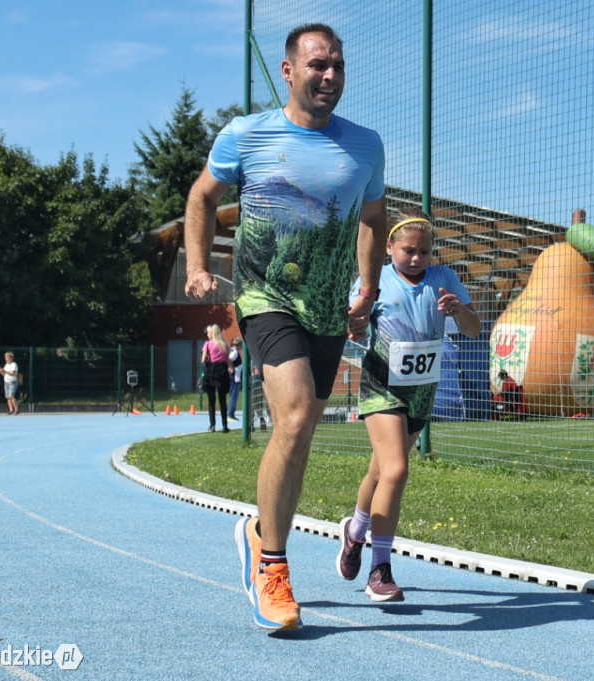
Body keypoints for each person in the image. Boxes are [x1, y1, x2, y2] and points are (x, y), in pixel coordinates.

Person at [183, 23, 387, 630]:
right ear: (289, 71)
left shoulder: (366, 146)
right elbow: (200, 197)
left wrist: (367, 287)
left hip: (328, 307)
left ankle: (258, 534)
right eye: (318, 64)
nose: (330, 76)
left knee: (301, 434)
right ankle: (273, 564)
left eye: (339, 66)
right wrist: (196, 265)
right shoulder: (247, 135)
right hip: (264, 296)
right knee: (295, 414)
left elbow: (373, 218)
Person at [335, 209, 481, 602]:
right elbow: (353, 322)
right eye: (408, 250)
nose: (416, 258)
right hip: (382, 383)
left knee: (381, 471)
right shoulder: (375, 279)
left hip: (421, 389)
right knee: (397, 468)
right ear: (389, 248)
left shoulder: (444, 279)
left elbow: (473, 328)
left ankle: (354, 533)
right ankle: (379, 570)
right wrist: (357, 322)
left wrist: (459, 311)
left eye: (424, 252)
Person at [200, 324, 233, 433]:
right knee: (222, 400)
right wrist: (230, 367)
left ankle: (212, 425)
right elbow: (228, 360)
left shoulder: (208, 344)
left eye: (209, 332)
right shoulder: (225, 344)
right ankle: (224, 425)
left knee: (211, 400)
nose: (207, 334)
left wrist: (208, 357)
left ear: (212, 333)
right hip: (222, 371)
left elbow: (203, 360)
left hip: (211, 371)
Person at [227, 337, 243, 421]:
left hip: (235, 377)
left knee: (234, 396)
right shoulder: (235, 352)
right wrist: (231, 367)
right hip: (235, 377)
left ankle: (231, 414)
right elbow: (228, 360)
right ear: (239, 345)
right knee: (233, 396)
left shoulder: (232, 351)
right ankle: (230, 414)